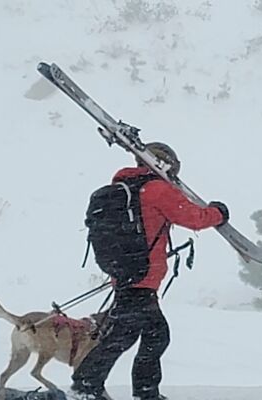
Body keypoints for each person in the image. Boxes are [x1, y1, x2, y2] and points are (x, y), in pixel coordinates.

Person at [69, 142, 230, 400]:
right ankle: (89, 386)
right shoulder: (156, 190)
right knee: (139, 337)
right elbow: (194, 217)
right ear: (164, 165)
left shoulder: (126, 189)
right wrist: (218, 213)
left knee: (139, 335)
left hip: (127, 275)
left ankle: (119, 389)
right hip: (142, 278)